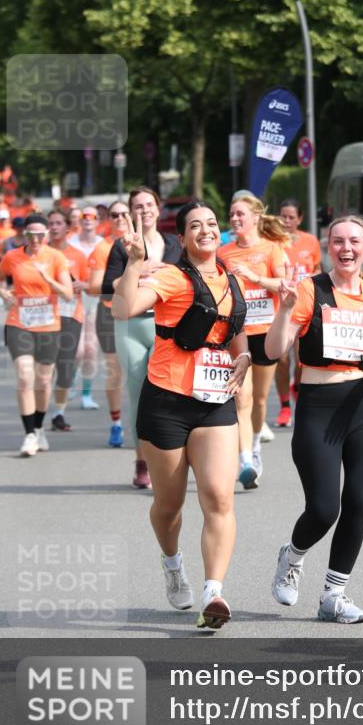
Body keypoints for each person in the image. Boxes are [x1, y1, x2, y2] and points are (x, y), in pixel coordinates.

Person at [113, 202, 250, 629]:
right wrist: (135, 263)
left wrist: (244, 357)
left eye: (211, 224)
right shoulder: (172, 276)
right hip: (167, 402)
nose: (205, 230)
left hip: (215, 401)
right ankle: (172, 562)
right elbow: (123, 309)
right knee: (169, 506)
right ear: (183, 238)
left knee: (219, 496)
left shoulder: (231, 279)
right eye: (195, 226)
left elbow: (236, 328)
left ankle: (214, 592)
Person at [266, 215, 363, 622]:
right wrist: (285, 310)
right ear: (329, 247)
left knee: (359, 501)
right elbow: (275, 350)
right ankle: (292, 556)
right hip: (318, 405)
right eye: (338, 241)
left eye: (355, 241)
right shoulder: (310, 290)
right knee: (324, 508)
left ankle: (334, 594)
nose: (346, 248)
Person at [104, 187, 183, 488]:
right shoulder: (123, 245)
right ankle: (142, 462)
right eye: (138, 206)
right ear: (131, 212)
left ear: (158, 208)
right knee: (138, 394)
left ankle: (168, 457)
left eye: (149, 204)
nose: (145, 210)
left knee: (166, 393)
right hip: (132, 325)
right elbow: (108, 284)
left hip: (167, 325)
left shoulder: (175, 243)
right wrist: (137, 269)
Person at [218, 193, 288, 489]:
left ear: (256, 217)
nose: (234, 219)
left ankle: (256, 445)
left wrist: (255, 278)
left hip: (266, 333)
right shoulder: (223, 253)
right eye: (232, 214)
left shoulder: (272, 249)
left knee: (259, 399)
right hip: (238, 334)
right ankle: (245, 461)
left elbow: (283, 285)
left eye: (240, 214)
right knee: (242, 398)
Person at [0, 214, 73, 456]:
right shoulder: (12, 256)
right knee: (25, 377)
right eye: (30, 234)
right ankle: (29, 434)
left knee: (44, 381)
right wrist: (3, 293)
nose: (35, 239)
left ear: (46, 234)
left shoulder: (56, 257)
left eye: (39, 234)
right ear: (24, 234)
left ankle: (38, 428)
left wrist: (47, 278)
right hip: (19, 323)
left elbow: (68, 294)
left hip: (48, 326)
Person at [274, 198, 322, 427]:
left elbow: (318, 268)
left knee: (302, 360)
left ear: (300, 219)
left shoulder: (311, 241)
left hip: (305, 308)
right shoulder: (273, 242)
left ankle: (297, 387)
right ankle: (284, 406)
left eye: (291, 217)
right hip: (281, 308)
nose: (286, 220)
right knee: (282, 360)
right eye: (283, 216)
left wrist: (314, 281)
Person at [87, 202, 130, 447]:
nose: (120, 218)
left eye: (125, 213)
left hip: (142, 312)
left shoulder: (145, 242)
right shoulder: (103, 248)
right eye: (115, 215)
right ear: (109, 219)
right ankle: (116, 423)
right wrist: (128, 277)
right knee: (115, 372)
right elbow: (95, 286)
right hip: (109, 314)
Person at [46, 209, 90, 432]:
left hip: (71, 315)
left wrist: (83, 285)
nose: (54, 227)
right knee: (44, 367)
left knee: (64, 368)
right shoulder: (40, 253)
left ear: (66, 227)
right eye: (51, 223)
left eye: (58, 223)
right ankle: (38, 413)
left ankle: (58, 413)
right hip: (44, 316)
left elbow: (90, 284)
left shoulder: (77, 255)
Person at [68, 205, 103, 410]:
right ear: (80, 220)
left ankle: (87, 395)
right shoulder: (71, 244)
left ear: (98, 220)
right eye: (84, 215)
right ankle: (72, 379)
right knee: (77, 351)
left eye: (92, 216)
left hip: (95, 300)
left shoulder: (102, 245)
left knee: (90, 349)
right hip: (73, 301)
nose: (88, 218)